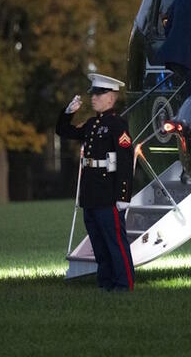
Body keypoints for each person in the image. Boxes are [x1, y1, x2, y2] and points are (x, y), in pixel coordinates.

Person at [56, 73, 136, 291]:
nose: (94, 98)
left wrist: (122, 196)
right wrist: (68, 113)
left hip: (109, 192)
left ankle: (124, 284)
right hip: (91, 192)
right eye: (94, 94)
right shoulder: (92, 124)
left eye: (99, 94)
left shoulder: (117, 125)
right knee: (98, 243)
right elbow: (64, 131)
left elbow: (125, 162)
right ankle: (106, 282)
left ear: (111, 98)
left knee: (115, 242)